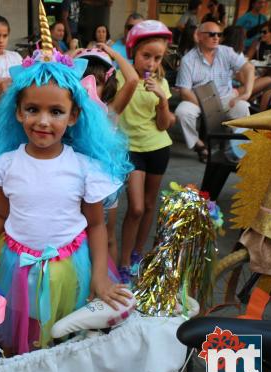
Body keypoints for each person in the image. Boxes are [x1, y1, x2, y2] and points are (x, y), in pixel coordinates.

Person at [0, 49, 133, 355]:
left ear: (74, 115)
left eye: (56, 111)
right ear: (18, 112)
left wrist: (100, 275)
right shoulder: (7, 164)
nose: (43, 121)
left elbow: (96, 225)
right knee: (20, 340)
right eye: (32, 109)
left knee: (65, 344)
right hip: (16, 268)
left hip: (69, 269)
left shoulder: (83, 167)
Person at [118, 20, 176, 274]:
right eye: (146, 56)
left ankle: (136, 256)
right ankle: (122, 262)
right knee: (136, 207)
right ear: (133, 52)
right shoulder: (121, 77)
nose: (151, 63)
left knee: (150, 205)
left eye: (157, 58)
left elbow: (163, 125)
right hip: (131, 148)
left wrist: (162, 100)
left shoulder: (161, 83)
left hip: (158, 147)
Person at [75, 44, 138, 265]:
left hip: (105, 182)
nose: (89, 86)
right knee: (80, 237)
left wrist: (114, 54)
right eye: (84, 79)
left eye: (97, 82)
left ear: (107, 85)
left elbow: (132, 80)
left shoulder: (110, 110)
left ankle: (110, 281)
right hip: (76, 184)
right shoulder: (69, 110)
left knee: (107, 236)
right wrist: (70, 58)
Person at [175, 21, 255, 162]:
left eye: (219, 34)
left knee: (243, 107)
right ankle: (199, 146)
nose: (216, 37)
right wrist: (206, 107)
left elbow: (249, 68)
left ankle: (237, 149)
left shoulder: (226, 51)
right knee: (182, 112)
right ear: (199, 36)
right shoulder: (188, 60)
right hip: (198, 99)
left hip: (225, 97)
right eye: (211, 34)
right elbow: (185, 91)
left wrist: (246, 93)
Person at [247, 21, 271, 97]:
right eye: (261, 32)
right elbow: (247, 58)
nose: (261, 34)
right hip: (256, 70)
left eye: (264, 32)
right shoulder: (257, 42)